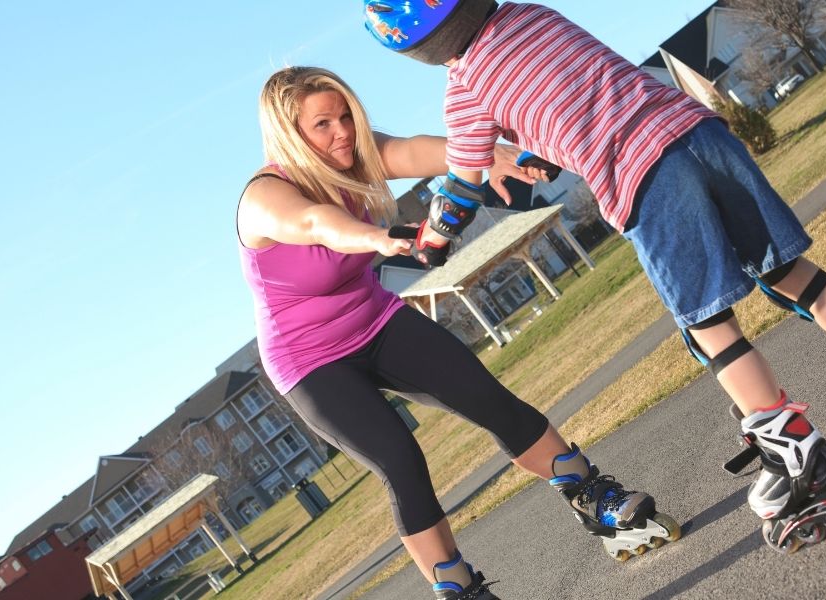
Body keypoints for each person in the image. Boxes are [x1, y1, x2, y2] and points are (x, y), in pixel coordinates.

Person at [362, 1, 826, 553]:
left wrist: (431, 244)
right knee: (787, 271)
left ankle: (799, 460)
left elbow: (463, 182)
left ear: (410, 47)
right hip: (696, 132)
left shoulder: (463, 86)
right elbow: (571, 93)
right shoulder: (532, 15)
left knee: (709, 322)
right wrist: (544, 147)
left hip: (644, 179)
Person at [236, 66, 679, 600]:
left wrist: (490, 155)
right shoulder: (264, 197)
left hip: (374, 319)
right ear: (290, 136)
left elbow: (419, 151)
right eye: (323, 124)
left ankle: (597, 501)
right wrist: (377, 236)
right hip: (309, 361)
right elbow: (314, 225)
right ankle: (460, 590)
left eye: (345, 116)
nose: (343, 133)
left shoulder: (353, 155)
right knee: (400, 458)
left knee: (487, 398)